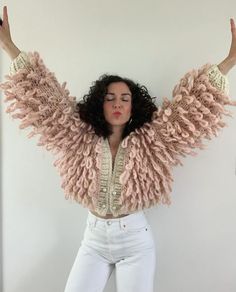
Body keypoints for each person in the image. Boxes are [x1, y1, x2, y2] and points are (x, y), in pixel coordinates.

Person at [1, 5, 236, 292]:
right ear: (100, 103)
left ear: (133, 107)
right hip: (93, 239)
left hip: (135, 241)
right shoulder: (79, 135)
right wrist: (9, 46)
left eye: (125, 98)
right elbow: (45, 99)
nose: (117, 104)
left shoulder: (153, 140)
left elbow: (190, 108)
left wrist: (229, 62)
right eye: (110, 97)